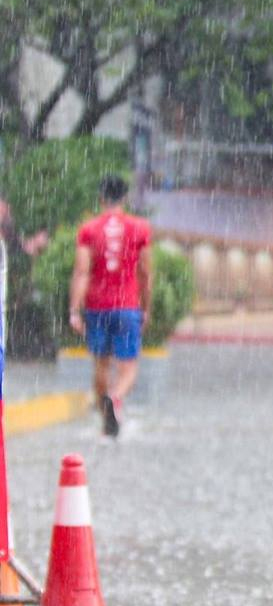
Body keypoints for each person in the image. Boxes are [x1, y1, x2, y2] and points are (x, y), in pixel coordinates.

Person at [67, 174, 153, 439]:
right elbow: (146, 273)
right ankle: (115, 400)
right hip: (127, 306)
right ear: (125, 198)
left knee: (101, 364)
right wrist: (146, 306)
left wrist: (74, 309)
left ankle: (106, 419)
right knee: (129, 366)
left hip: (96, 306)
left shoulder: (89, 229)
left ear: (101, 197)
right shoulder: (140, 228)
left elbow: (82, 272)